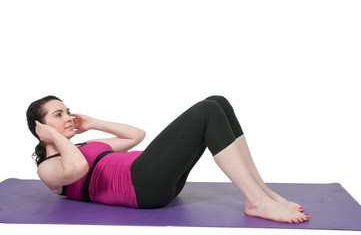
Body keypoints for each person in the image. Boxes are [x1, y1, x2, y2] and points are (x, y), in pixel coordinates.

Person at [26, 95, 310, 223]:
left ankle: (263, 192)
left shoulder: (85, 144)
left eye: (67, 110)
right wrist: (53, 138)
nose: (68, 117)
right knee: (205, 112)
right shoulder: (48, 169)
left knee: (217, 102)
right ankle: (255, 202)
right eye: (59, 115)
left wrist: (93, 123)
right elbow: (76, 167)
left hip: (155, 176)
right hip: (141, 186)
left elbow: (136, 136)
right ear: (41, 129)